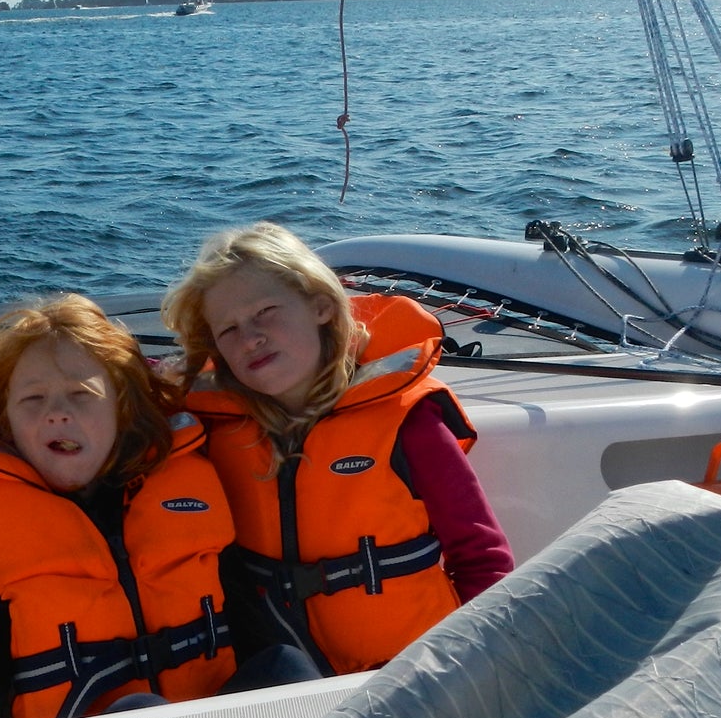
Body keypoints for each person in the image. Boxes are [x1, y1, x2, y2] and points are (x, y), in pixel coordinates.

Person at [162, 221, 513, 675]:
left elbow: (482, 558)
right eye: (228, 330)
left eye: (265, 311)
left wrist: (477, 666)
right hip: (285, 685)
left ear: (321, 306)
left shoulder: (406, 421)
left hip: (413, 677)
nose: (250, 338)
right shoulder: (212, 431)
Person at [0, 294, 237, 718]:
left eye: (81, 394)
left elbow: (244, 625)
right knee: (140, 712)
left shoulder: (192, 494)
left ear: (122, 409)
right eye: (33, 399)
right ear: (6, 423)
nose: (57, 414)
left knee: (283, 666)